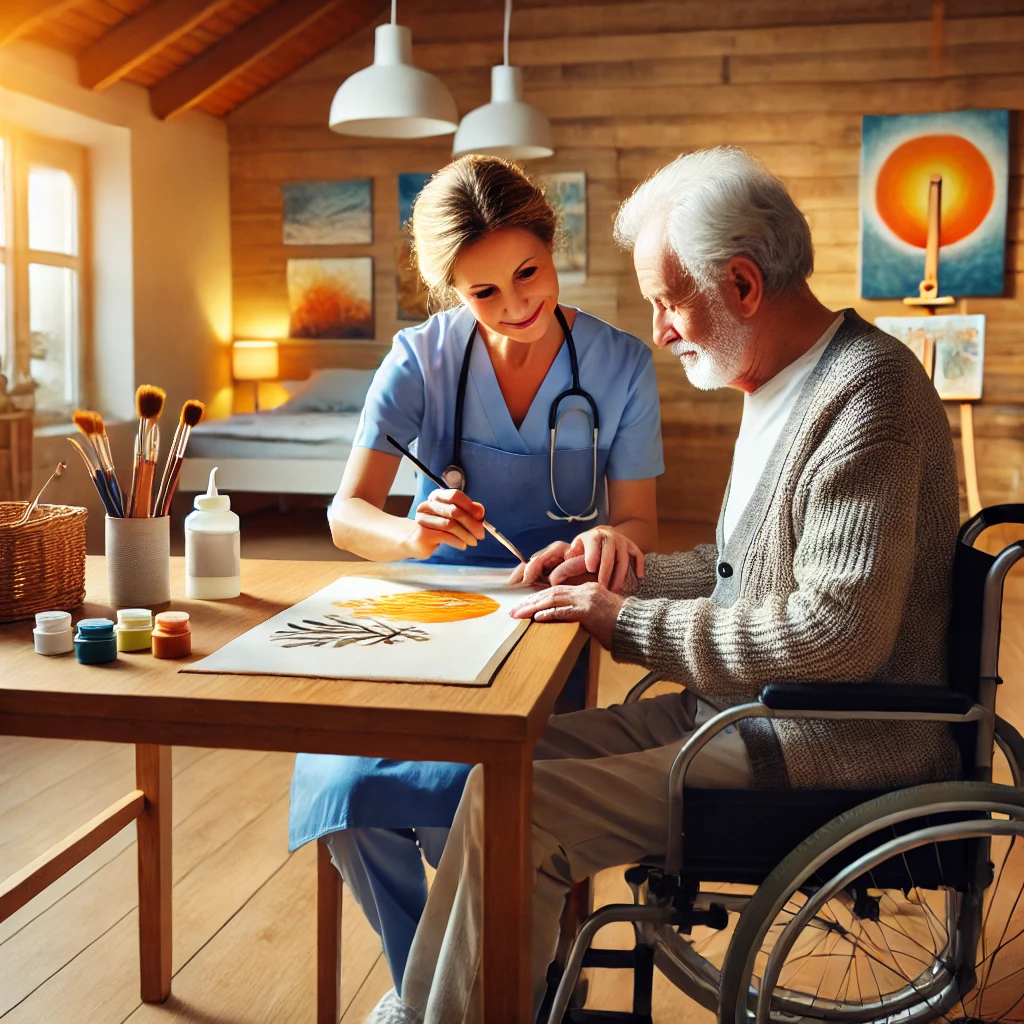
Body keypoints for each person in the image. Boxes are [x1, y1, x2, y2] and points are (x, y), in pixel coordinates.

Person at [379, 147, 964, 1024]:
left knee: (524, 811)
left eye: (669, 300)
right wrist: (618, 566)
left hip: (830, 739)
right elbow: (746, 578)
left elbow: (838, 634)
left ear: (741, 285)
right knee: (497, 775)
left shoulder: (867, 398)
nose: (659, 329)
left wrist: (624, 621)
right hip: (756, 708)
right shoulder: (785, 383)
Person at [288, 155, 664, 1014]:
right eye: (483, 293)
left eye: (526, 273)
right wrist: (409, 531)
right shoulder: (420, 360)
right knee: (344, 794)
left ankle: (453, 1002)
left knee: (498, 800)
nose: (516, 305)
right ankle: (455, 998)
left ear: (551, 243)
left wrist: (609, 538)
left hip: (546, 621)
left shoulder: (620, 365)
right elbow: (349, 516)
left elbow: (640, 526)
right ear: (450, 291)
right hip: (424, 616)